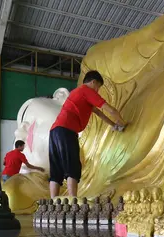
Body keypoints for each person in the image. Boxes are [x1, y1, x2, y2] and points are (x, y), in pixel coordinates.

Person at [49, 70, 127, 198]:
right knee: (72, 165)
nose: (97, 91)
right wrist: (123, 122)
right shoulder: (87, 91)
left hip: (55, 131)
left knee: (56, 169)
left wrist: (114, 125)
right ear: (93, 82)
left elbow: (99, 113)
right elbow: (109, 109)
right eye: (98, 88)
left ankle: (53, 202)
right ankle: (73, 200)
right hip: (67, 129)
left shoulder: (77, 93)